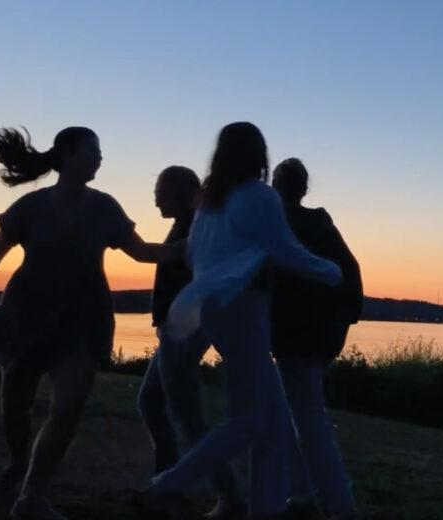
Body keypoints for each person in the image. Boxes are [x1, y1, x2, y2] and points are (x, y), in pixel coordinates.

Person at [0, 126, 172, 520]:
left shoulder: (105, 207)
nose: (100, 158)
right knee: (15, 404)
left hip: (82, 319)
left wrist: (193, 248)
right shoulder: (31, 206)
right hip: (26, 315)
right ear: (68, 154)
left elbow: (143, 253)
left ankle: (32, 496)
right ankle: (18, 465)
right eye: (94, 150)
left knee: (69, 405)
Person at [134, 122, 342, 520]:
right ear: (258, 155)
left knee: (274, 422)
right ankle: (166, 486)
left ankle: (264, 509)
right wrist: (330, 272)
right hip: (244, 309)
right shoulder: (258, 197)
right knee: (247, 419)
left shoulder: (211, 204)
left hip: (213, 310)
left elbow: (194, 257)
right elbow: (286, 250)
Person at [136, 166, 241, 518]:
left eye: (161, 192)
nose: (155, 199)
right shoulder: (188, 223)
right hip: (175, 333)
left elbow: (159, 258)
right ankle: (166, 481)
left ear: (182, 193)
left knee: (189, 416)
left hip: (183, 334)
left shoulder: (197, 228)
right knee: (151, 402)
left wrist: (117, 237)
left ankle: (227, 494)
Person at [269, 158, 363, 520]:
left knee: (308, 421)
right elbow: (350, 273)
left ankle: (338, 504)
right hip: (314, 337)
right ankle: (304, 495)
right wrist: (343, 321)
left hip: (299, 337)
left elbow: (340, 275)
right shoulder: (319, 223)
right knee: (296, 416)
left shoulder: (289, 224)